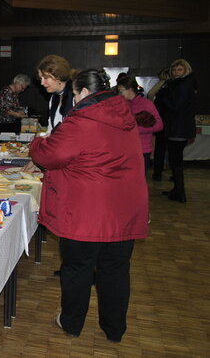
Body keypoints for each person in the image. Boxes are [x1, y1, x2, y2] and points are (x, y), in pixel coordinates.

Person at [29, 69, 148, 342]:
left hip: (86, 213)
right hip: (124, 210)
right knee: (116, 270)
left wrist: (37, 142)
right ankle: (114, 328)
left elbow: (49, 155)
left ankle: (71, 323)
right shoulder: (124, 115)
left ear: (82, 92)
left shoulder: (82, 120)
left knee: (77, 269)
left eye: (74, 93)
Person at [152, 59, 197, 203]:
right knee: (175, 160)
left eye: (180, 69)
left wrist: (164, 98)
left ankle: (180, 192)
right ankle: (177, 190)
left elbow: (176, 107)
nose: (176, 72)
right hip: (178, 128)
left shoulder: (183, 86)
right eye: (175, 69)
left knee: (175, 161)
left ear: (186, 70)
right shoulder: (182, 85)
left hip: (177, 129)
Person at [116, 75, 163, 169]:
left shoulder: (146, 104)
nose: (119, 94)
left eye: (121, 91)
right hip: (126, 149)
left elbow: (159, 125)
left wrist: (137, 129)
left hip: (142, 149)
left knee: (140, 179)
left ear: (130, 89)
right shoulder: (121, 104)